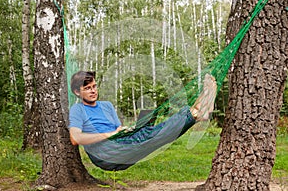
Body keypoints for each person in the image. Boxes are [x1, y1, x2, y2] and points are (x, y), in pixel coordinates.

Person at [68, 71, 217, 170]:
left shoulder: (106, 106)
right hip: (104, 154)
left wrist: (126, 129)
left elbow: (118, 129)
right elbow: (75, 138)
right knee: (146, 135)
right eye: (87, 88)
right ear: (76, 92)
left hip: (120, 145)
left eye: (94, 86)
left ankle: (197, 114)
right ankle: (196, 111)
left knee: (147, 130)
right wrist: (108, 135)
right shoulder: (77, 110)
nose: (93, 91)